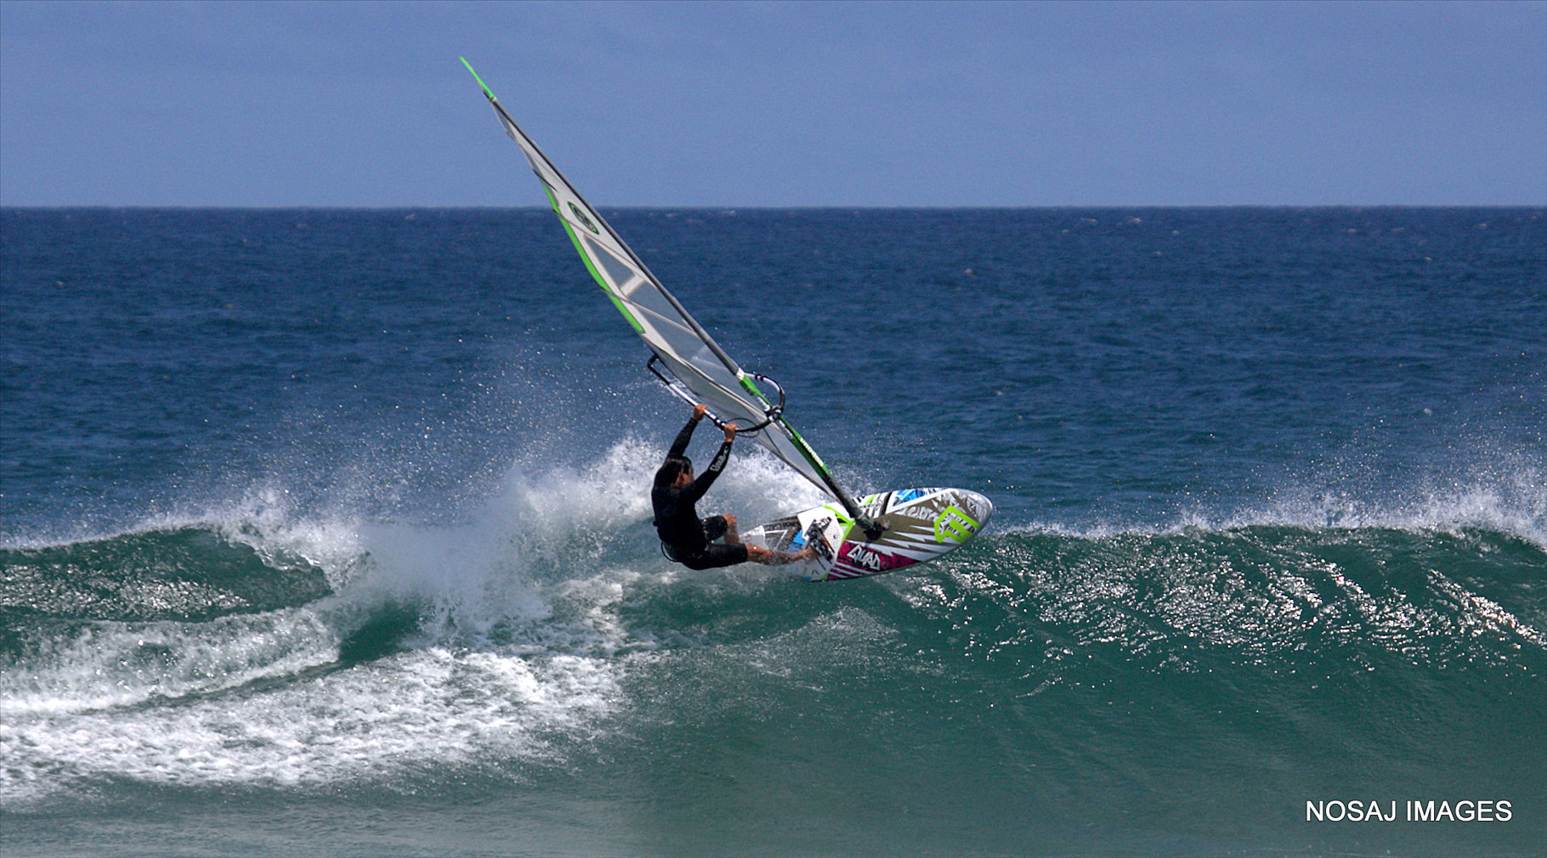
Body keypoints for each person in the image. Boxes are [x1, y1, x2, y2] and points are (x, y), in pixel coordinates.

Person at [652, 403, 814, 570]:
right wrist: (728, 442)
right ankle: (803, 555)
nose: (693, 478)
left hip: (681, 543)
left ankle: (735, 551)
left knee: (729, 520)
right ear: (681, 476)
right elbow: (712, 472)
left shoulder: (660, 484)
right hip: (698, 555)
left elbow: (676, 449)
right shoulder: (683, 497)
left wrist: (694, 420)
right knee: (758, 553)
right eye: (691, 474)